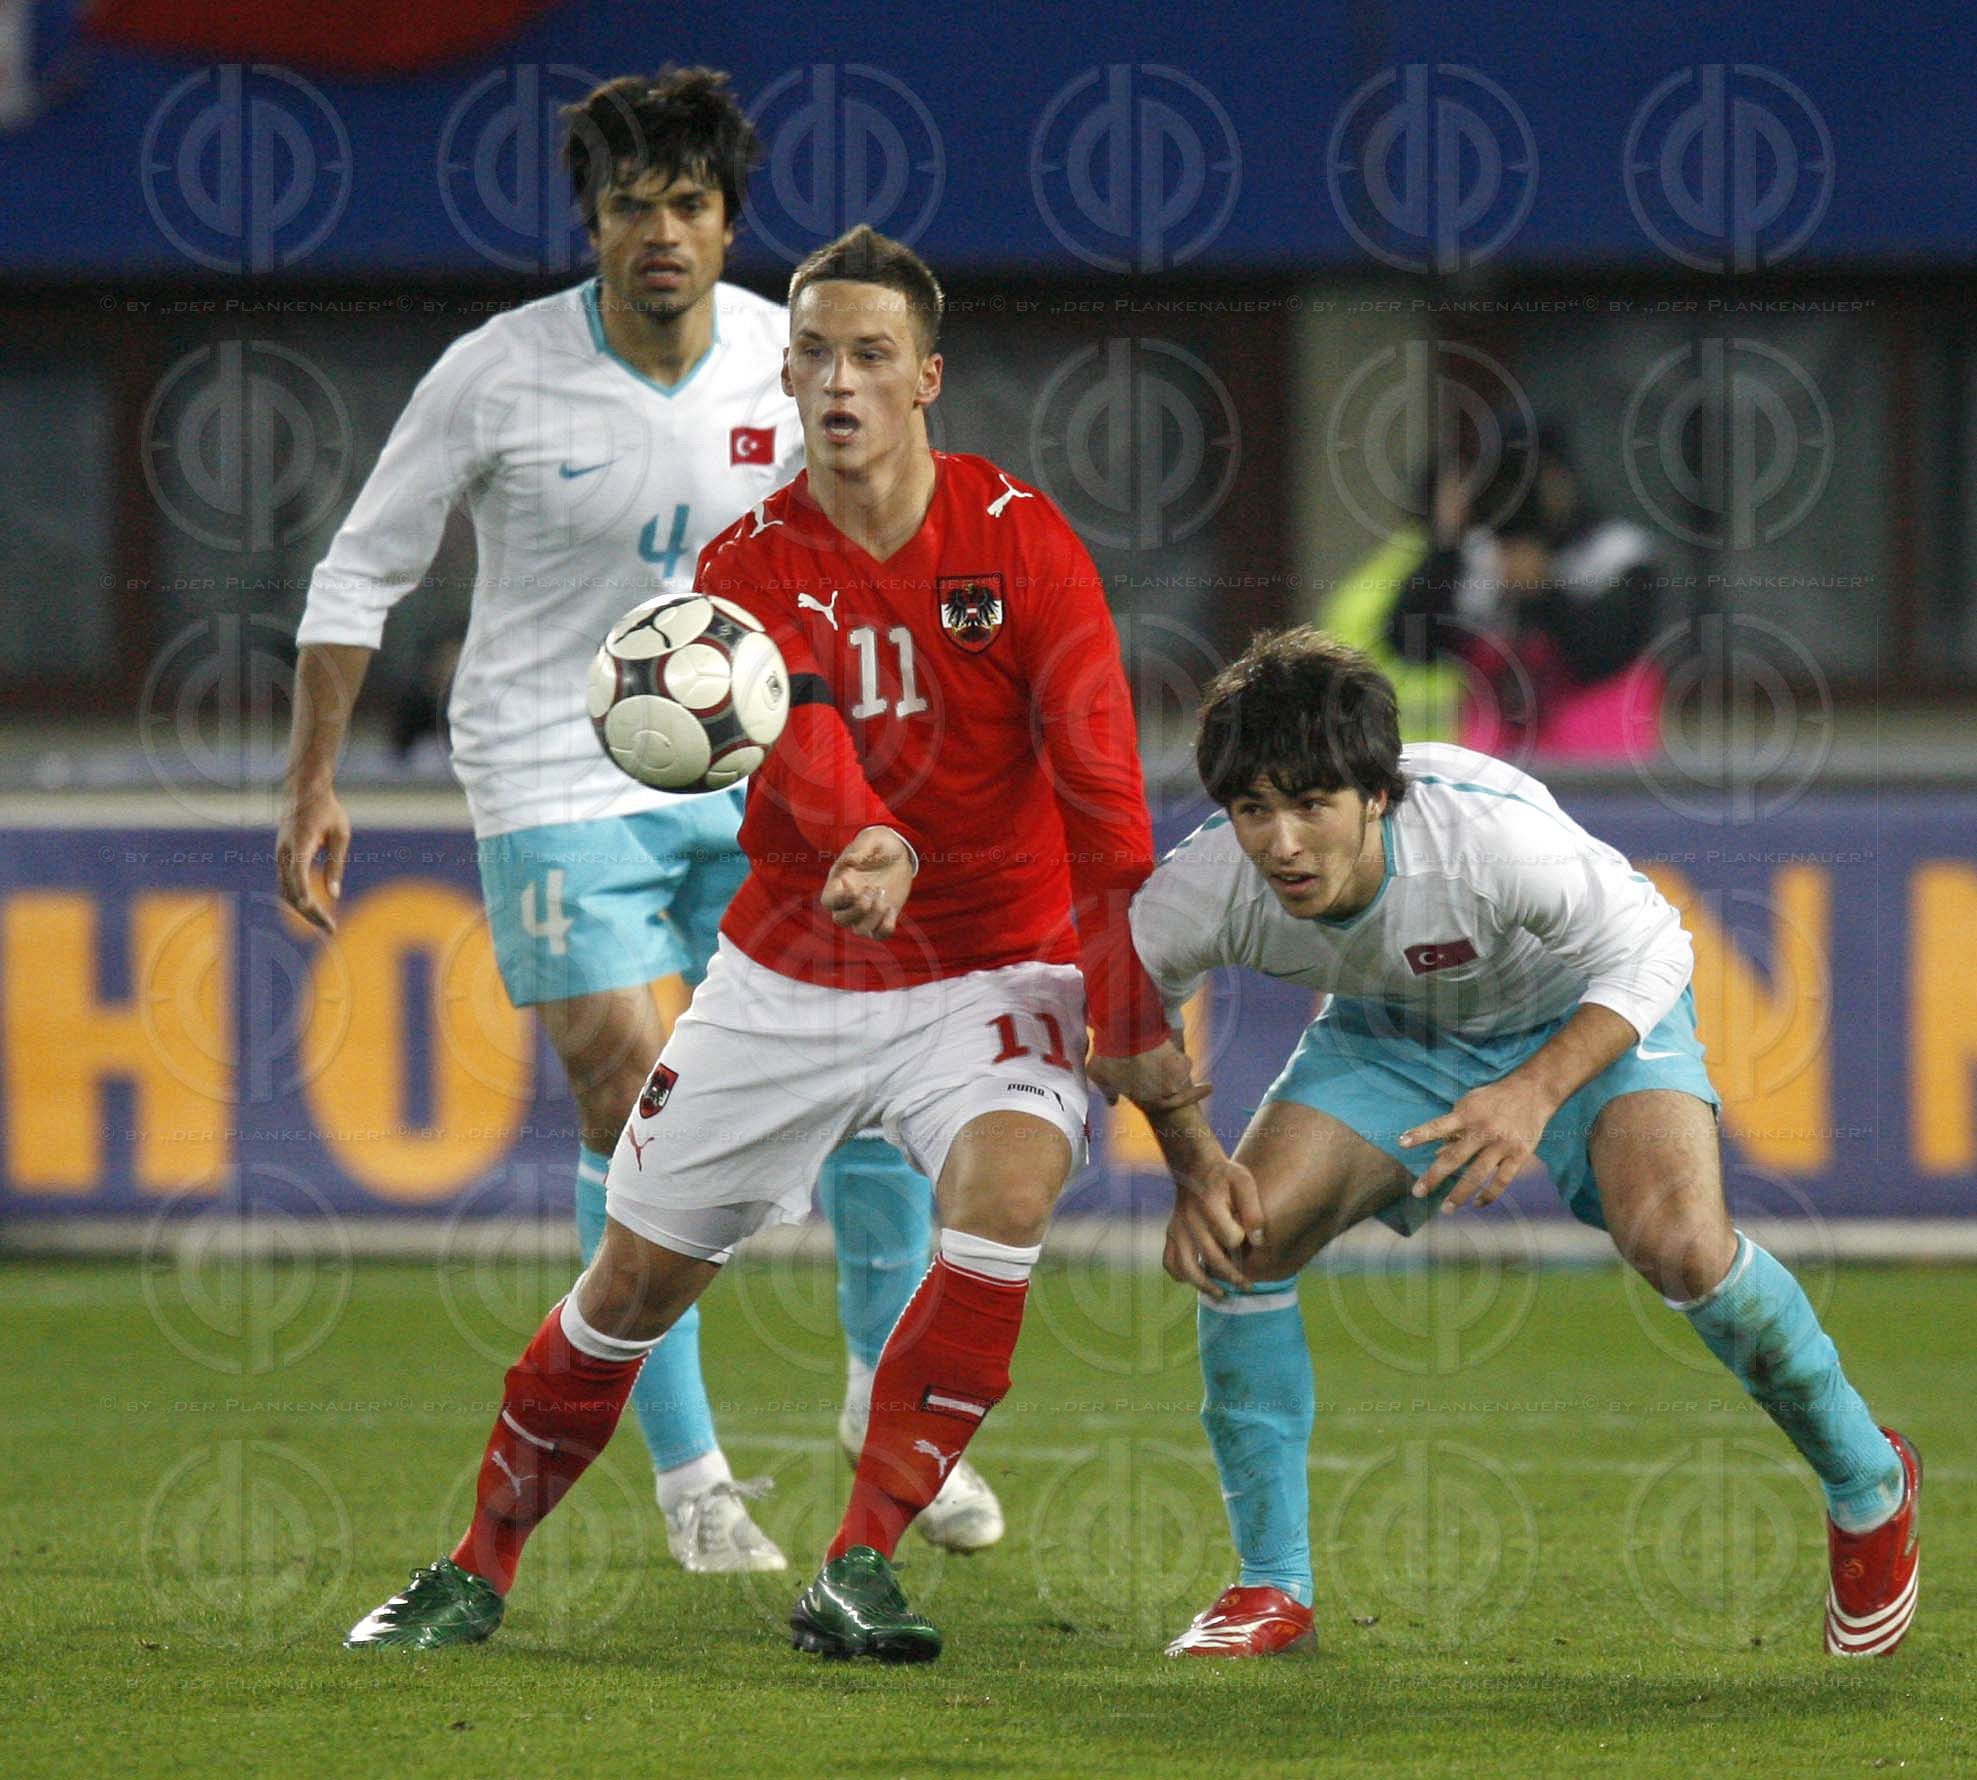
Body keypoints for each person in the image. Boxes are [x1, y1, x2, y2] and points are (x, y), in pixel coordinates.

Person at [341, 224, 1197, 1659]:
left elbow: (1109, 816)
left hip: (995, 970)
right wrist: (862, 829)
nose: (840, 382)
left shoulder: (1022, 544)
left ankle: (859, 1563)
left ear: (928, 377)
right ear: (784, 374)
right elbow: (790, 726)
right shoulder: (746, 560)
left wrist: (1167, 1097)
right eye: (814, 354)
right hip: (792, 979)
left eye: (872, 356)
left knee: (1001, 1209)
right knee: (629, 1286)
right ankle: (475, 1565)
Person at [277, 69, 1002, 1579]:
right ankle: (692, 1479)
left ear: (730, 221)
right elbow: (359, 576)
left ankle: (888, 1413)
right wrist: (312, 785)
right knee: (636, 1089)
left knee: (864, 1068)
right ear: (591, 225)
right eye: (628, 206)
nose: (659, 230)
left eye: (687, 202)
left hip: (771, 770)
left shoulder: (784, 360)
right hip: (555, 773)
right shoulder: (496, 373)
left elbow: (887, 535)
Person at [1092, 629, 1919, 1660]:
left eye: (1312, 803)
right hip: (1393, 1032)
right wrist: (1193, 1167)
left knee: (1683, 1244)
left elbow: (1655, 946)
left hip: (1585, 1015)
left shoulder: (1485, 843)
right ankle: (1271, 1588)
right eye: (1254, 809)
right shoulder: (1208, 886)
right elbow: (1126, 1006)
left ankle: (1867, 1479)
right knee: (1241, 1241)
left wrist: (1529, 1094)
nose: (1284, 843)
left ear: (1377, 795)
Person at [1383, 422, 1663, 761]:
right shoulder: (1476, 559)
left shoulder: (1617, 553)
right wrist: (1447, 545)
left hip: (1596, 766)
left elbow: (1602, 657)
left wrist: (1542, 591)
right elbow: (1409, 643)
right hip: (1493, 769)